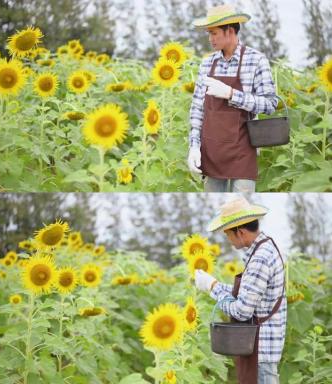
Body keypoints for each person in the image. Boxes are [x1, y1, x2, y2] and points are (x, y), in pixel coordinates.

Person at [195, 196, 286, 384]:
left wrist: (212, 288)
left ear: (241, 232)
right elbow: (249, 294)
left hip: (260, 351)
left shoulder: (260, 258)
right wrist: (215, 284)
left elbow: (242, 311)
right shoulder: (265, 247)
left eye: (227, 234)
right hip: (260, 349)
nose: (228, 239)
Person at [187, 4, 279, 192]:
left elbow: (270, 103)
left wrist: (231, 94)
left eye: (214, 33)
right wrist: (194, 147)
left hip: (242, 150)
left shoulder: (256, 60)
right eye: (208, 33)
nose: (210, 39)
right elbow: (197, 109)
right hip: (211, 151)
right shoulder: (206, 64)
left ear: (229, 31)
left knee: (243, 201)